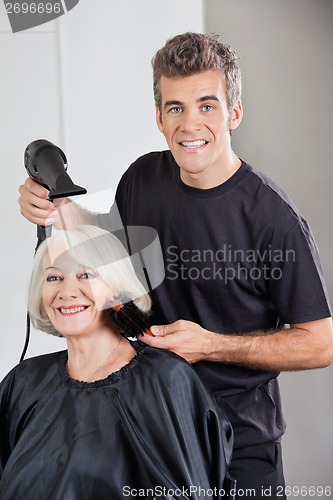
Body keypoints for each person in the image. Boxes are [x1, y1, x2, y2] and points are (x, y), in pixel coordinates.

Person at [18, 32, 333, 499]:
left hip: (241, 446)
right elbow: (112, 252)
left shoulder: (273, 219)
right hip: (155, 429)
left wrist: (210, 346)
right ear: (160, 119)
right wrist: (55, 207)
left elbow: (320, 344)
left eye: (208, 105)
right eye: (176, 108)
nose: (190, 124)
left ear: (235, 112)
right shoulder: (144, 177)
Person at [0, 224, 234, 500]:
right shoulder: (24, 381)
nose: (67, 291)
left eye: (85, 275)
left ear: (118, 291)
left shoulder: (166, 380)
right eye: (53, 278)